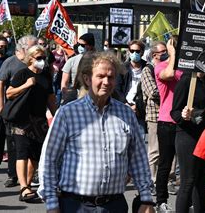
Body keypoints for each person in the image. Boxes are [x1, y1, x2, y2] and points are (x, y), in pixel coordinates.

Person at [38, 52, 155, 213]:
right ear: (87, 79)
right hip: (76, 205)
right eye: (100, 76)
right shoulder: (67, 113)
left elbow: (138, 159)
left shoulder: (126, 114)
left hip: (115, 206)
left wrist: (146, 198)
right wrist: (52, 204)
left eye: (111, 77)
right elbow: (49, 160)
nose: (106, 82)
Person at [6, 45, 56, 202]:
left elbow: (51, 98)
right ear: (31, 59)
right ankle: (23, 187)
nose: (42, 61)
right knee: (22, 153)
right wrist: (26, 85)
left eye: (43, 57)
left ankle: (27, 185)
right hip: (22, 120)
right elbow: (9, 93)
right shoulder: (22, 74)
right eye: (39, 58)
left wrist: (57, 116)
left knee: (35, 156)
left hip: (39, 120)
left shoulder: (46, 75)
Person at [171, 71, 205, 212]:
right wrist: (183, 115)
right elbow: (174, 112)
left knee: (201, 182)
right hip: (188, 135)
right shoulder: (185, 81)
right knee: (188, 181)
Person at [0, 35, 38, 188]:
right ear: (25, 48)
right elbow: (0, 84)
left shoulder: (38, 65)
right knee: (13, 143)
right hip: (14, 111)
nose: (36, 49)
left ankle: (28, 177)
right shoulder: (10, 62)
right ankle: (13, 175)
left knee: (32, 145)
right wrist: (1, 104)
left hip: (33, 112)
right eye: (34, 47)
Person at [154, 36, 183, 212]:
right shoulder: (161, 67)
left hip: (184, 120)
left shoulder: (185, 68)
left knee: (187, 165)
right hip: (166, 121)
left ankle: (185, 200)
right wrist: (172, 54)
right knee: (165, 163)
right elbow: (170, 75)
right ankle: (161, 201)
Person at [141, 41, 164, 186]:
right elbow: (153, 92)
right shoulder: (148, 70)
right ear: (155, 54)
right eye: (163, 52)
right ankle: (153, 180)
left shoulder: (168, 68)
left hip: (169, 114)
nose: (166, 54)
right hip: (154, 115)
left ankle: (169, 179)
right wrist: (171, 94)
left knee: (169, 150)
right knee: (154, 150)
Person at [60, 33, 95, 104]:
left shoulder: (98, 60)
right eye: (78, 44)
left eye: (82, 45)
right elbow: (64, 81)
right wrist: (65, 96)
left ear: (90, 46)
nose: (79, 47)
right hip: (75, 96)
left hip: (93, 95)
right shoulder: (72, 60)